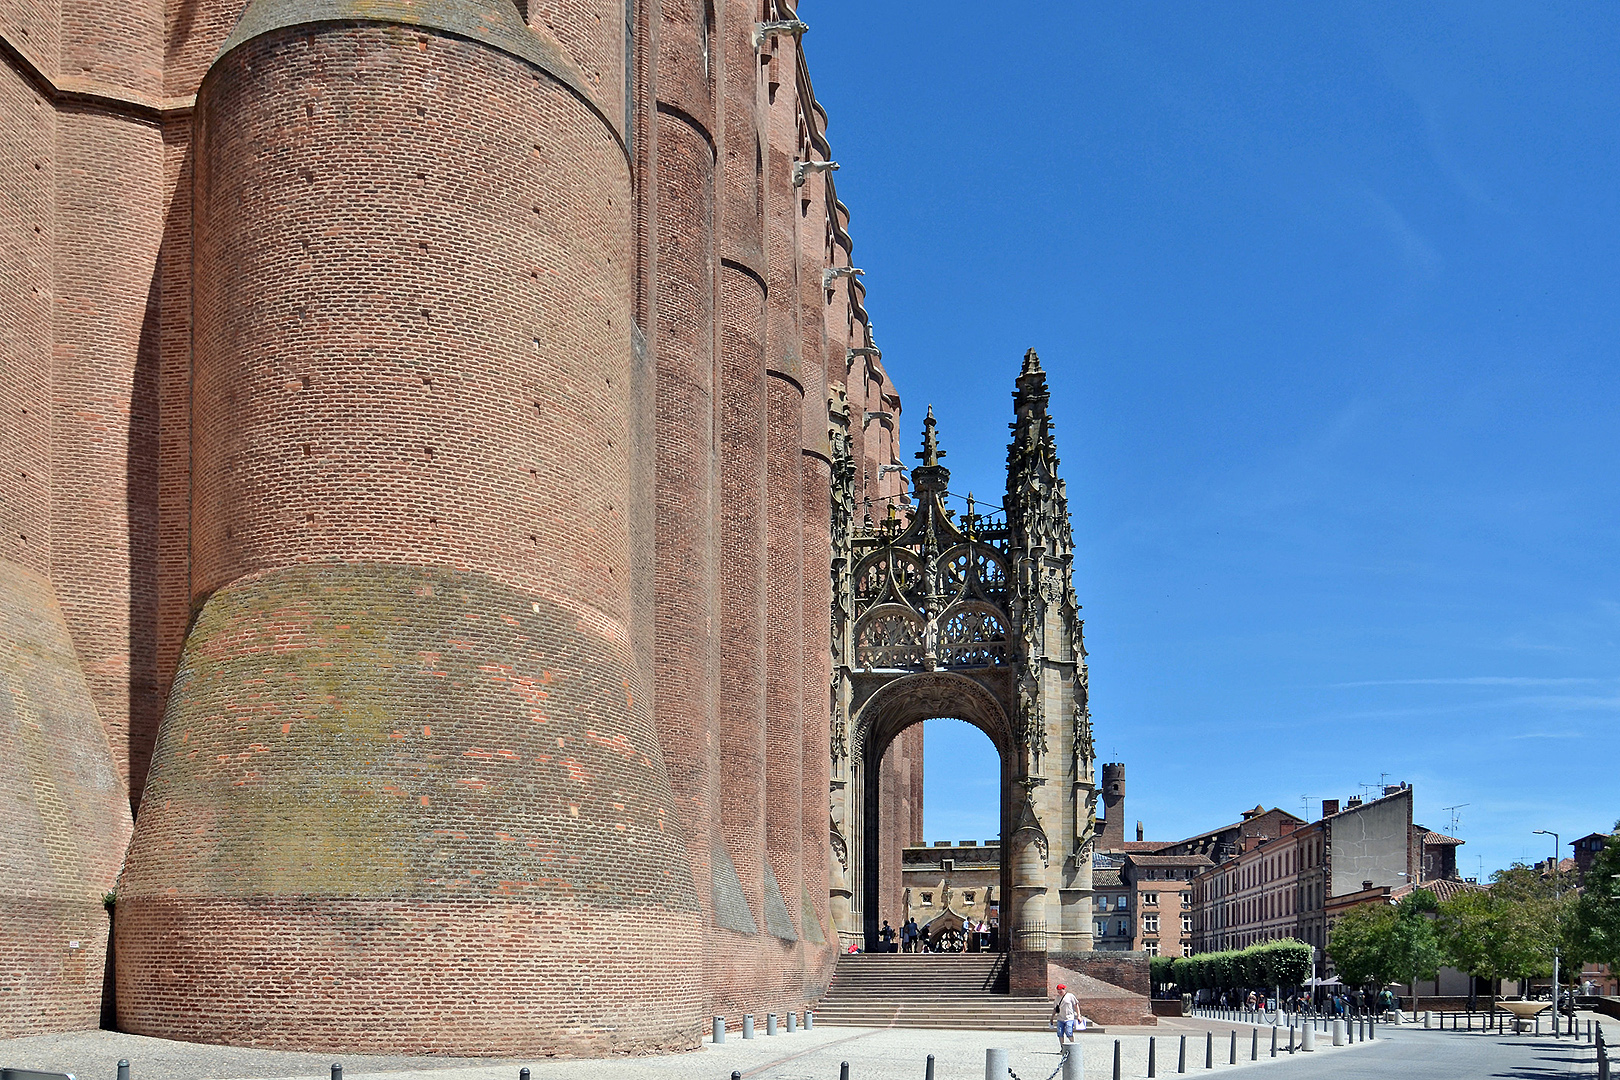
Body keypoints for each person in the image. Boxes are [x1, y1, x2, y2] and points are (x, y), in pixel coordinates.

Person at [1052, 983, 1087, 1052]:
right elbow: (1055, 1008)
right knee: (1060, 1033)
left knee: (1069, 1032)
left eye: (1061, 991)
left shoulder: (1070, 996)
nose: (1059, 992)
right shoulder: (1057, 998)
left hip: (1069, 1017)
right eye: (1058, 991)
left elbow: (1076, 1006)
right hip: (1060, 1018)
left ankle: (1073, 1046)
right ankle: (1062, 1048)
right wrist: (1052, 1018)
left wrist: (1079, 1015)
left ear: (1064, 990)